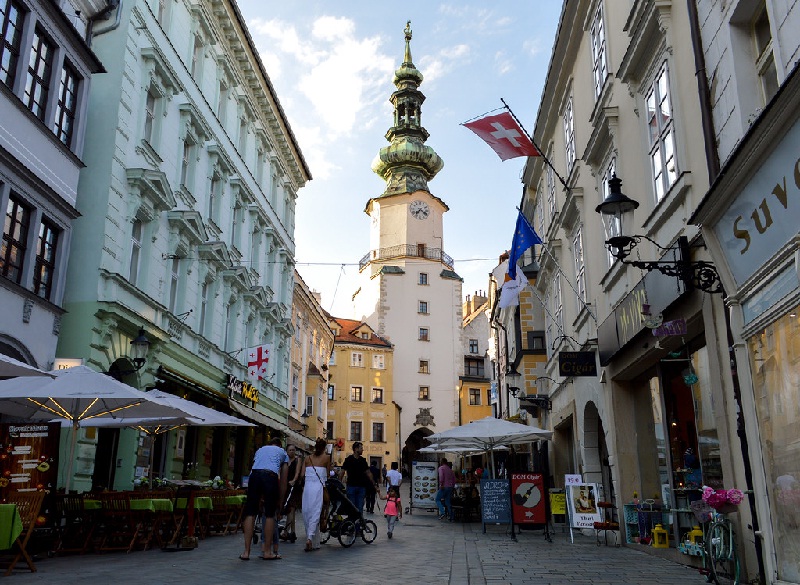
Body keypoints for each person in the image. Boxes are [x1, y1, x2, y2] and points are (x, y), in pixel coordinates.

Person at [240, 437, 288, 561]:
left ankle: (246, 552)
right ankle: (267, 551)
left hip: (254, 476)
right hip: (270, 476)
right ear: (279, 445)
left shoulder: (260, 450)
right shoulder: (283, 453)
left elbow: (254, 468)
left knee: (250, 513)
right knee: (270, 514)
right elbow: (283, 480)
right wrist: (281, 501)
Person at [302, 438, 332, 552]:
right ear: (324, 447)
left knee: (307, 512)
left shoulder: (307, 458)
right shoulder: (326, 458)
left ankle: (313, 541)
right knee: (316, 512)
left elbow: (302, 474)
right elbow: (328, 474)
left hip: (307, 488)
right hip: (319, 487)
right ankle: (310, 538)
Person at [339, 441, 373, 517]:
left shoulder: (363, 460)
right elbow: (342, 471)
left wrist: (374, 483)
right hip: (351, 486)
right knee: (352, 507)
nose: (362, 450)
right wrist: (339, 483)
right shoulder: (348, 459)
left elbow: (368, 473)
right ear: (356, 449)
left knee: (360, 508)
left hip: (361, 487)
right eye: (361, 448)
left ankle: (358, 525)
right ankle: (352, 525)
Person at [280, 444, 302, 542]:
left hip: (294, 487)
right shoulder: (284, 460)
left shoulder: (297, 460)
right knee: (290, 510)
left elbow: (297, 472)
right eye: (290, 450)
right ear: (287, 451)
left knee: (291, 508)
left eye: (293, 450)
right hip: (285, 486)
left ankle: (286, 531)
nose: (292, 451)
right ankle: (293, 532)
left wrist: (294, 480)